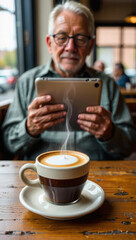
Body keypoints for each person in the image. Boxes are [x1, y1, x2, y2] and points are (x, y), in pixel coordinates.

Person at [2, 1, 136, 160]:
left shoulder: (108, 84)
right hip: (41, 175)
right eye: (61, 37)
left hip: (97, 176)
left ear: (90, 45)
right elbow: (9, 144)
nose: (70, 47)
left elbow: (129, 145)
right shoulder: (26, 82)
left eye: (80, 38)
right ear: (49, 44)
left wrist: (110, 133)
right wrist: (29, 128)